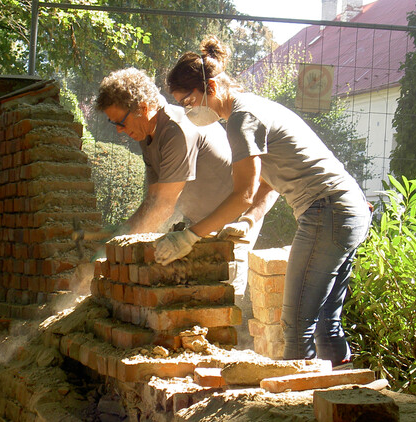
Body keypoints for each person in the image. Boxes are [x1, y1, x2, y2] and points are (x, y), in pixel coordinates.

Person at [155, 36, 372, 366]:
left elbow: (242, 192)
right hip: (349, 209)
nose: (187, 110)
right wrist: (247, 221)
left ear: (210, 86)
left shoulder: (243, 119)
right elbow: (268, 182)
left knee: (297, 325)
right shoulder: (252, 108)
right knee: (326, 326)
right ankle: (341, 400)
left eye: (188, 100)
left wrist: (190, 235)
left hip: (328, 211)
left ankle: (296, 410)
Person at [80, 67, 262, 347]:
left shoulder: (177, 128)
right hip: (202, 223)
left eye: (120, 122)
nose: (119, 131)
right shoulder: (146, 133)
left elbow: (164, 207)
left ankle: (228, 363)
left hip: (233, 221)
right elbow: (154, 199)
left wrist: (111, 249)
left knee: (221, 306)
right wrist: (122, 231)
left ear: (143, 107)